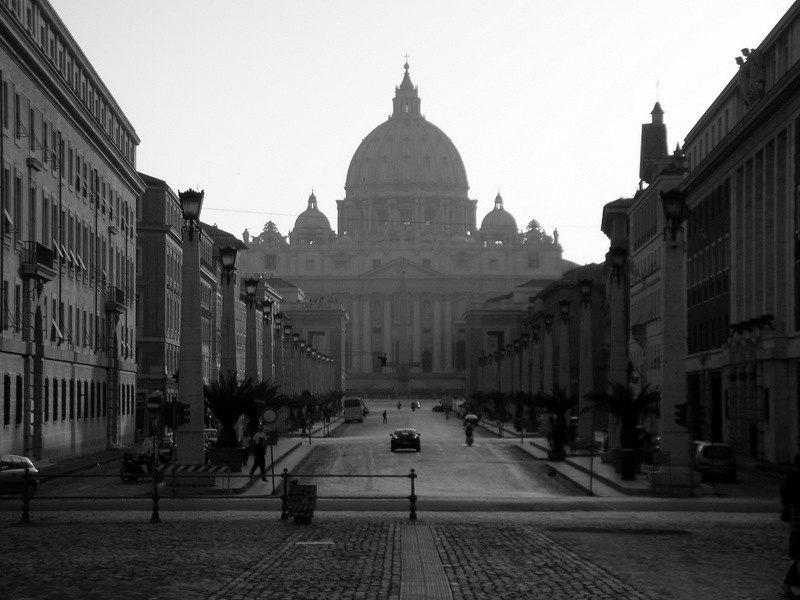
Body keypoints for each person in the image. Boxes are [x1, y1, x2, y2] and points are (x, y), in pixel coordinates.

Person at [782, 453, 800, 596]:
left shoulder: (791, 479)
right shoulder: (796, 480)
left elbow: (785, 497)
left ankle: (788, 584)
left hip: (796, 525)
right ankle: (788, 584)